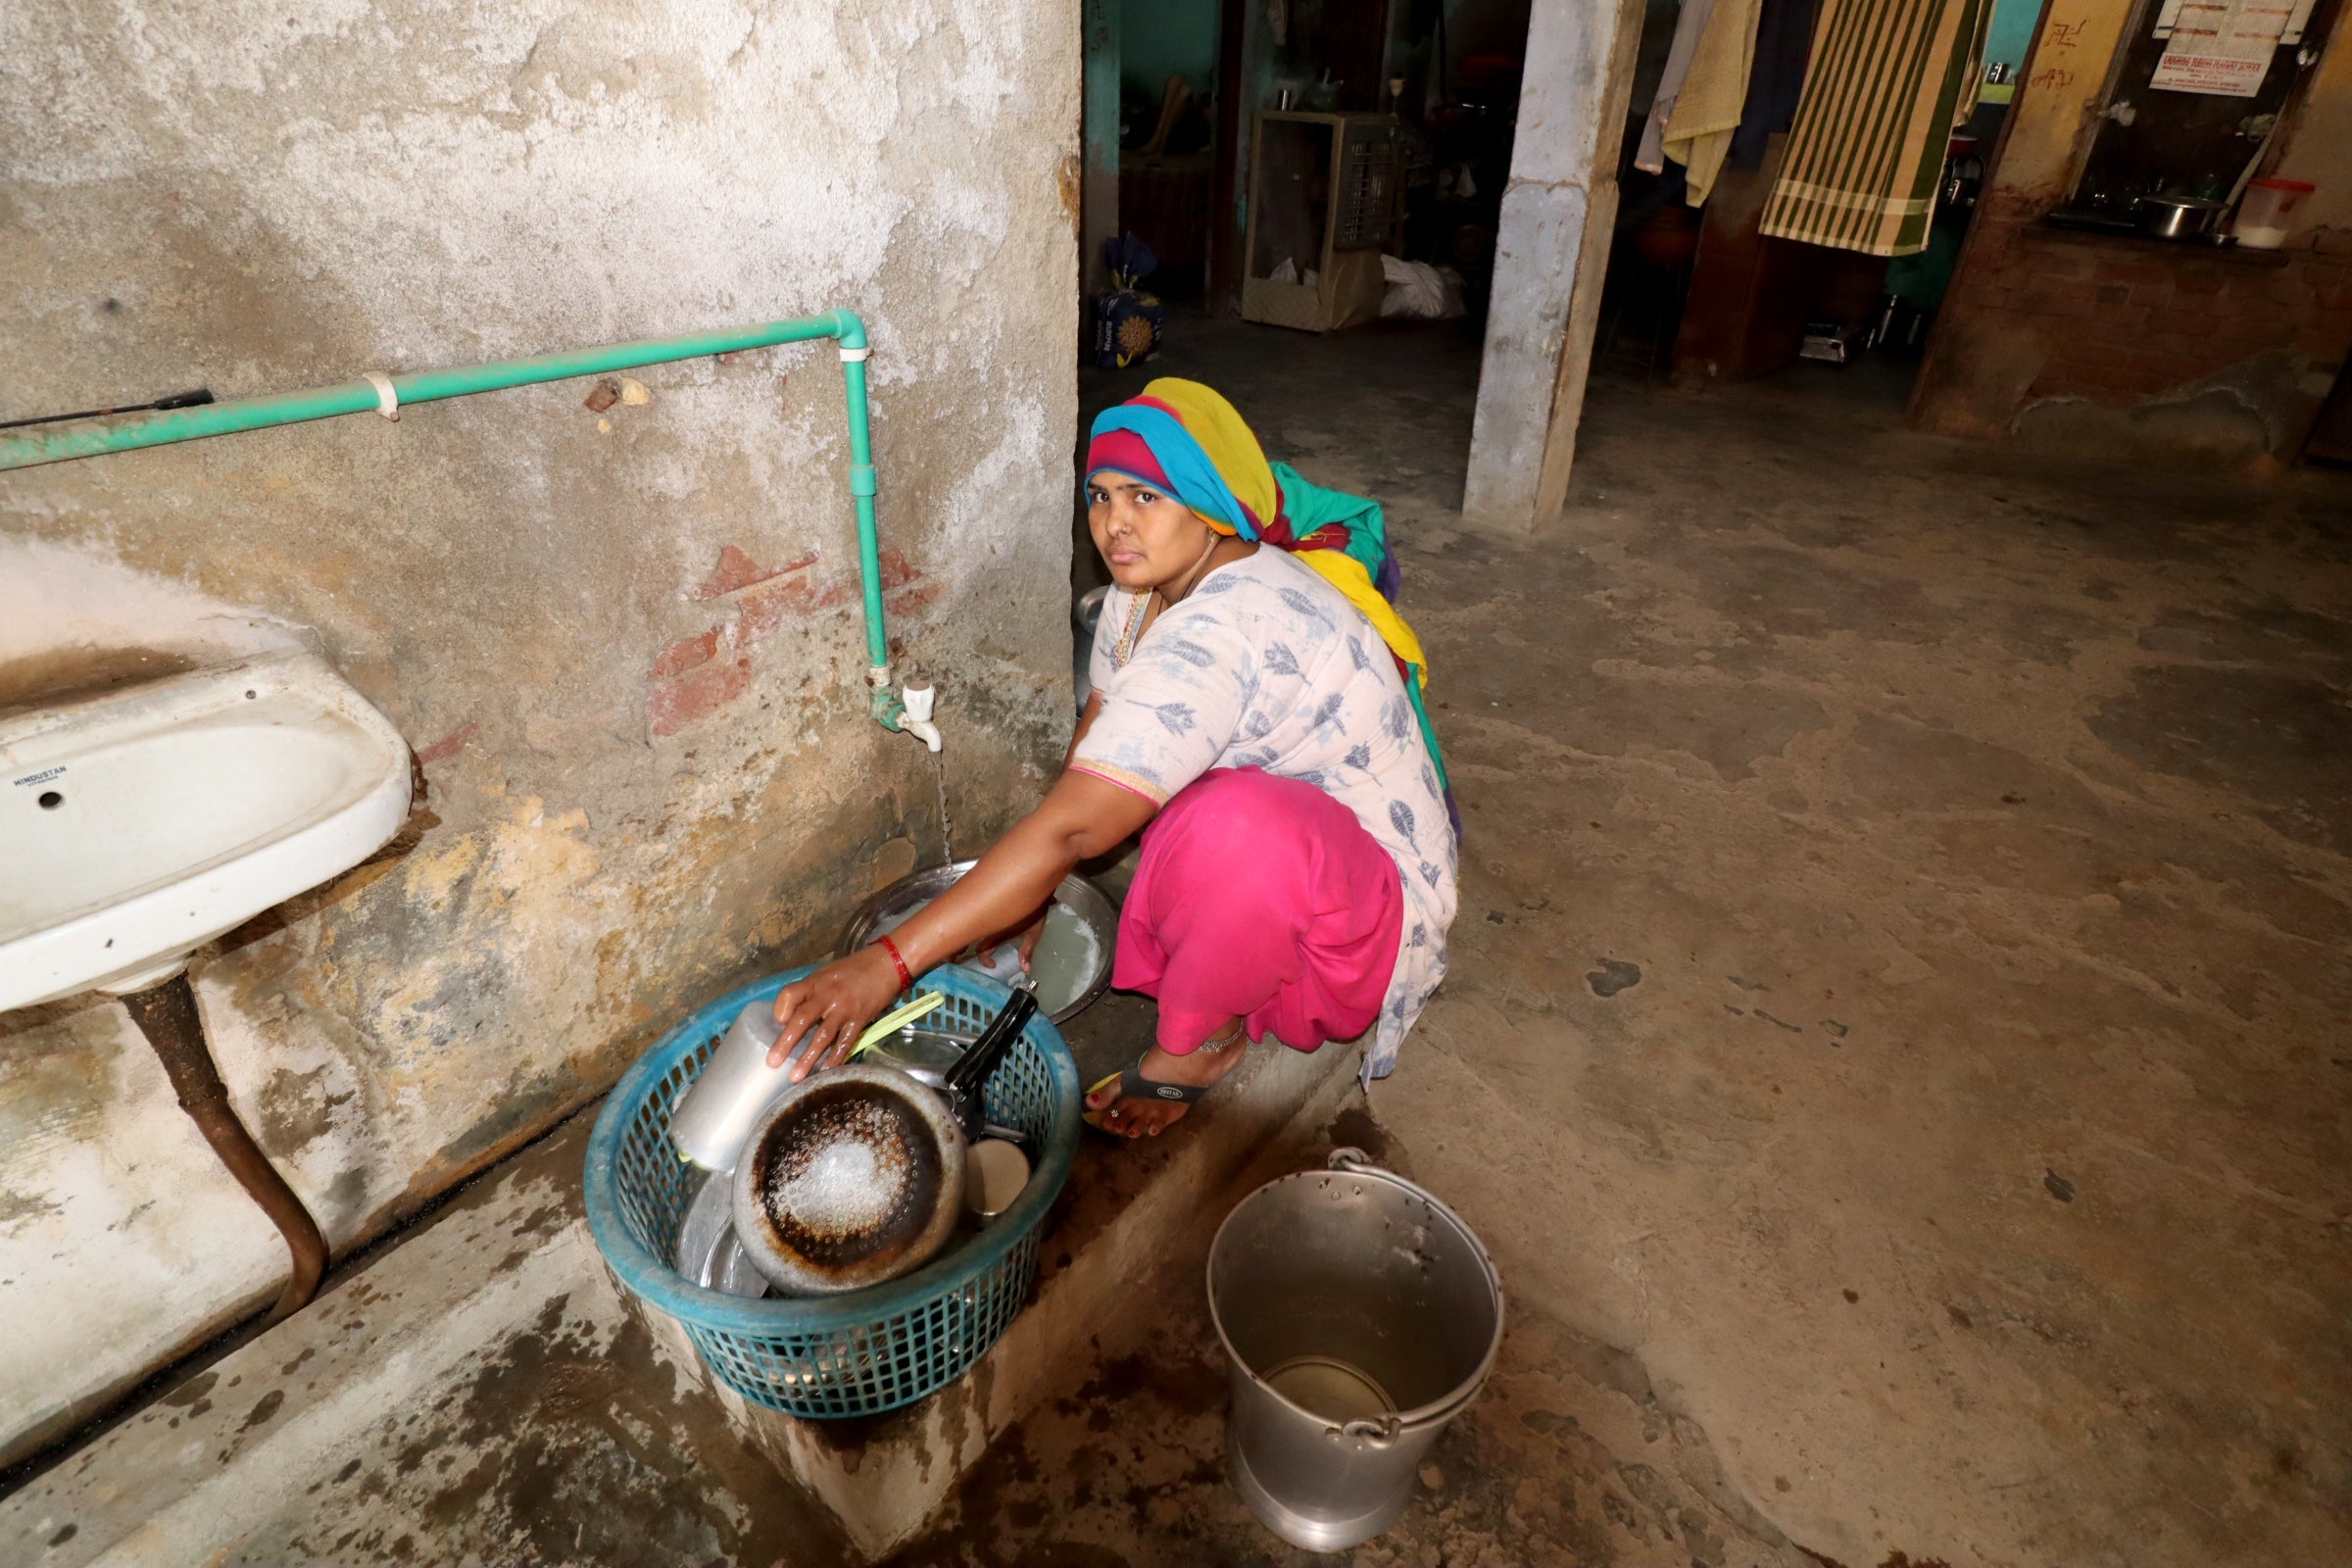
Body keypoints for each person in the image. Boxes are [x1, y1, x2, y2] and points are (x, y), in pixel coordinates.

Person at [766, 378, 1457, 1138]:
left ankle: (1197, 1045)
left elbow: (1073, 831)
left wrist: (884, 966)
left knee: (1227, 832)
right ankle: (1220, 941)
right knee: (1145, 805)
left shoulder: (1221, 634)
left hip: (1369, 914)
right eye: (1100, 497)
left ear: (1208, 504)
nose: (1114, 526)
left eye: (1145, 497)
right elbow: (1093, 753)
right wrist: (1032, 890)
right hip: (1321, 846)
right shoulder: (1144, 593)